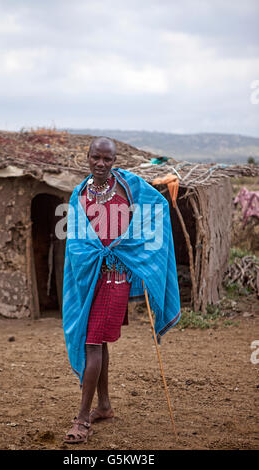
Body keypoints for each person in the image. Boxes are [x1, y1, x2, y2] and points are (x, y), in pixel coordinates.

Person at [62, 137, 181, 444]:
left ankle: (83, 419)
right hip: (89, 278)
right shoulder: (80, 193)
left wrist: (128, 248)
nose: (101, 164)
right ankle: (103, 406)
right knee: (97, 342)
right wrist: (89, 257)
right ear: (87, 158)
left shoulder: (128, 187)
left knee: (92, 343)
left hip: (115, 278)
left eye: (108, 159)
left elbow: (157, 207)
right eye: (96, 158)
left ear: (114, 161)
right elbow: (75, 239)